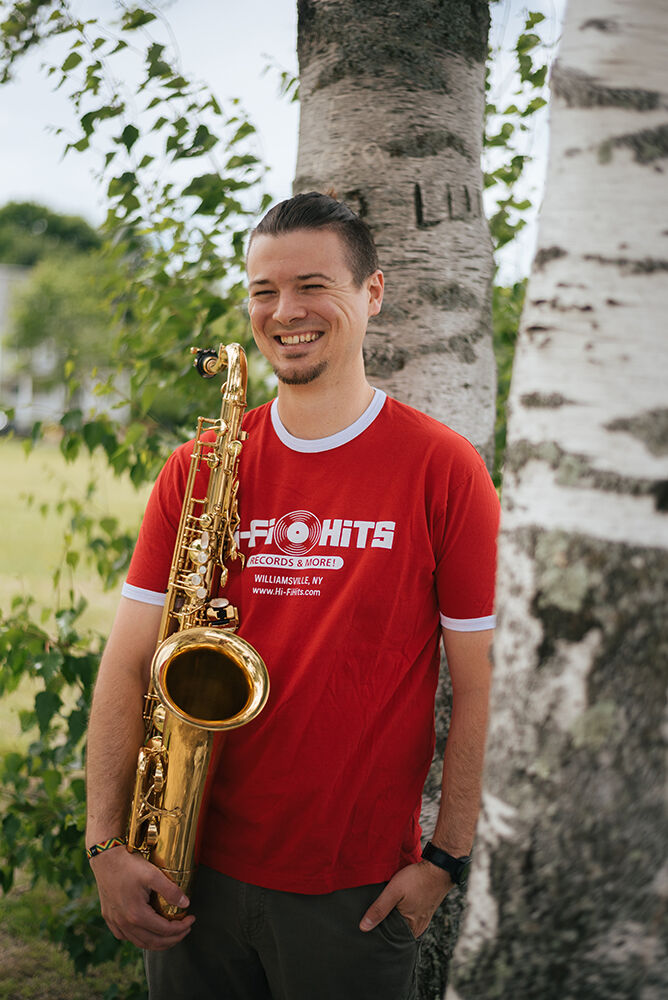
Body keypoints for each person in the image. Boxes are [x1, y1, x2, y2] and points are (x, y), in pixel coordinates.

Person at [85, 192, 500, 1000]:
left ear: (371, 293)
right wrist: (108, 846)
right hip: (185, 869)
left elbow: (483, 683)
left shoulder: (443, 469)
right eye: (263, 292)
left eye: (313, 285)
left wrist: (446, 863)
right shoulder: (197, 468)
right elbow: (129, 662)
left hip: (352, 892)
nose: (285, 312)